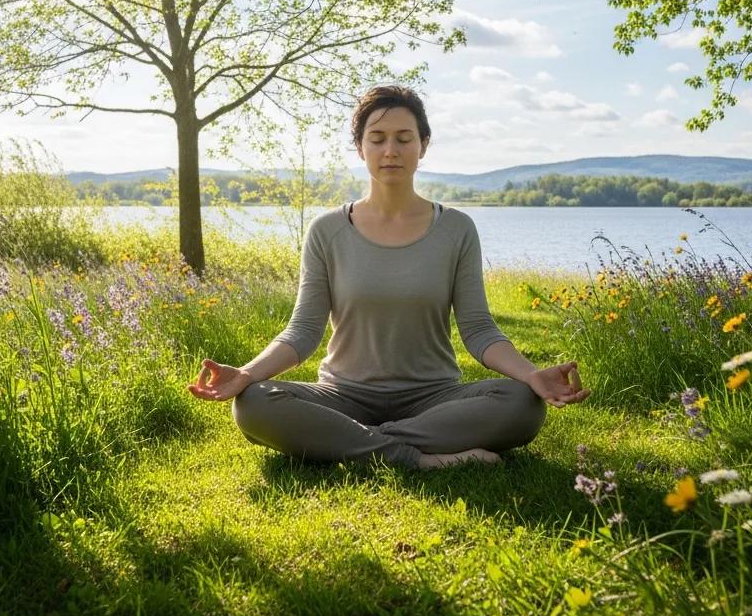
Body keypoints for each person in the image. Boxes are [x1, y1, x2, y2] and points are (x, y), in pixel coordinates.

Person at [188, 85, 590, 469]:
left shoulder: (457, 229)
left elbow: (479, 329)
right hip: (342, 394)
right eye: (377, 138)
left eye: (403, 138)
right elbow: (303, 331)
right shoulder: (327, 230)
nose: (390, 151)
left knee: (522, 403)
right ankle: (416, 456)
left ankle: (356, 442)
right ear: (361, 147)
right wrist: (246, 373)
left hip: (434, 397)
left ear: (423, 145)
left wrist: (531, 374)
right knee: (255, 402)